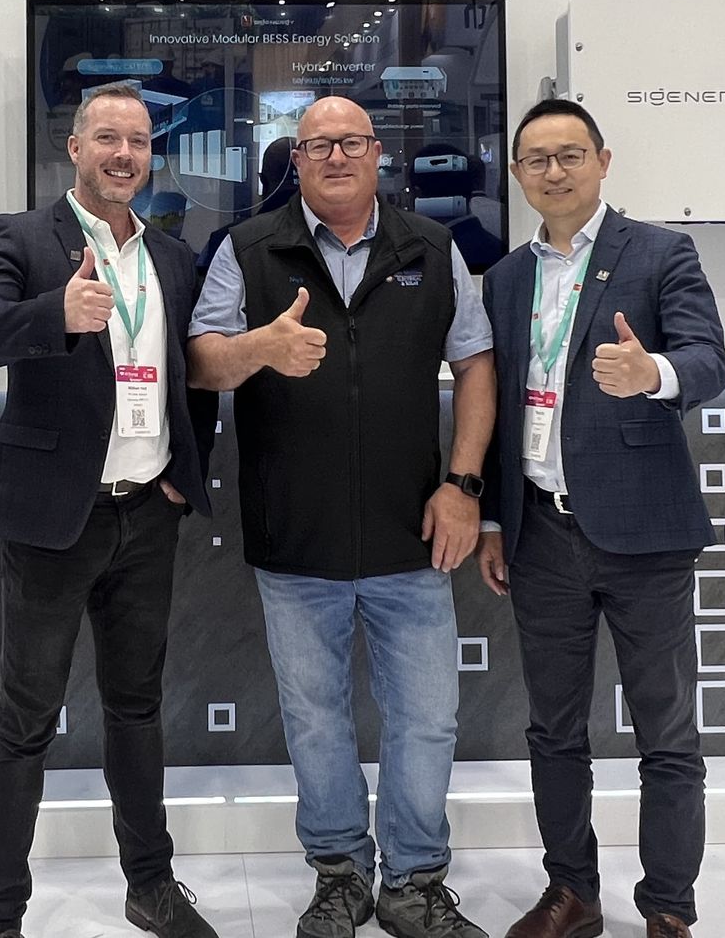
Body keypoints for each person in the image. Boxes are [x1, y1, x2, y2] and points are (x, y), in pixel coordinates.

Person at [187, 97, 496, 938]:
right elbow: (205, 359)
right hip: (296, 535)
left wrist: (464, 485)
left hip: (414, 532)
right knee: (317, 718)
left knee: (427, 716)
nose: (334, 156)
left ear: (377, 153)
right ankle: (340, 875)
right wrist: (260, 348)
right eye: (317, 143)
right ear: (297, 158)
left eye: (350, 142)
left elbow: (475, 361)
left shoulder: (432, 249)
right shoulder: (248, 250)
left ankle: (414, 881)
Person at [0, 80, 218, 938]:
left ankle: (151, 883)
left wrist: (184, 470)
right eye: (107, 137)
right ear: (74, 147)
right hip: (53, 522)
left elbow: (190, 374)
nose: (123, 154)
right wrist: (53, 314)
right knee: (23, 722)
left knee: (136, 708)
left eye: (137, 140)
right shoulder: (24, 238)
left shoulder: (173, 256)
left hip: (146, 516)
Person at [476, 99, 725, 938]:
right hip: (541, 532)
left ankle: (668, 906)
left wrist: (650, 370)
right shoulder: (506, 278)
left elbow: (708, 359)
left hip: (643, 534)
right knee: (553, 727)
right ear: (518, 174)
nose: (555, 170)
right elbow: (504, 402)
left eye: (571, 154)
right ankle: (573, 892)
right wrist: (491, 523)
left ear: (603, 161)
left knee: (666, 729)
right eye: (538, 158)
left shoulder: (660, 253)